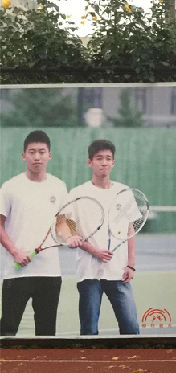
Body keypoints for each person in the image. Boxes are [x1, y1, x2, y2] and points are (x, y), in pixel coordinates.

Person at [68, 139, 142, 337]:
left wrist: (130, 264)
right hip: (89, 273)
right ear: (90, 162)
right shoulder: (78, 193)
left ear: (113, 163)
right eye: (99, 158)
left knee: (131, 328)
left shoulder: (124, 193)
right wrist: (93, 250)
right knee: (89, 331)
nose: (104, 162)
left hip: (119, 271)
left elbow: (130, 229)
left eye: (108, 158)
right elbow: (66, 227)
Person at [0, 131, 67, 336]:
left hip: (50, 273)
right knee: (7, 331)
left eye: (41, 152)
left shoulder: (59, 186)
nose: (37, 157)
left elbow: (64, 225)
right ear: (24, 156)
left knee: (47, 334)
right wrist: (15, 252)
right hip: (16, 272)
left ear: (49, 155)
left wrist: (71, 236)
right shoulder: (10, 187)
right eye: (32, 152)